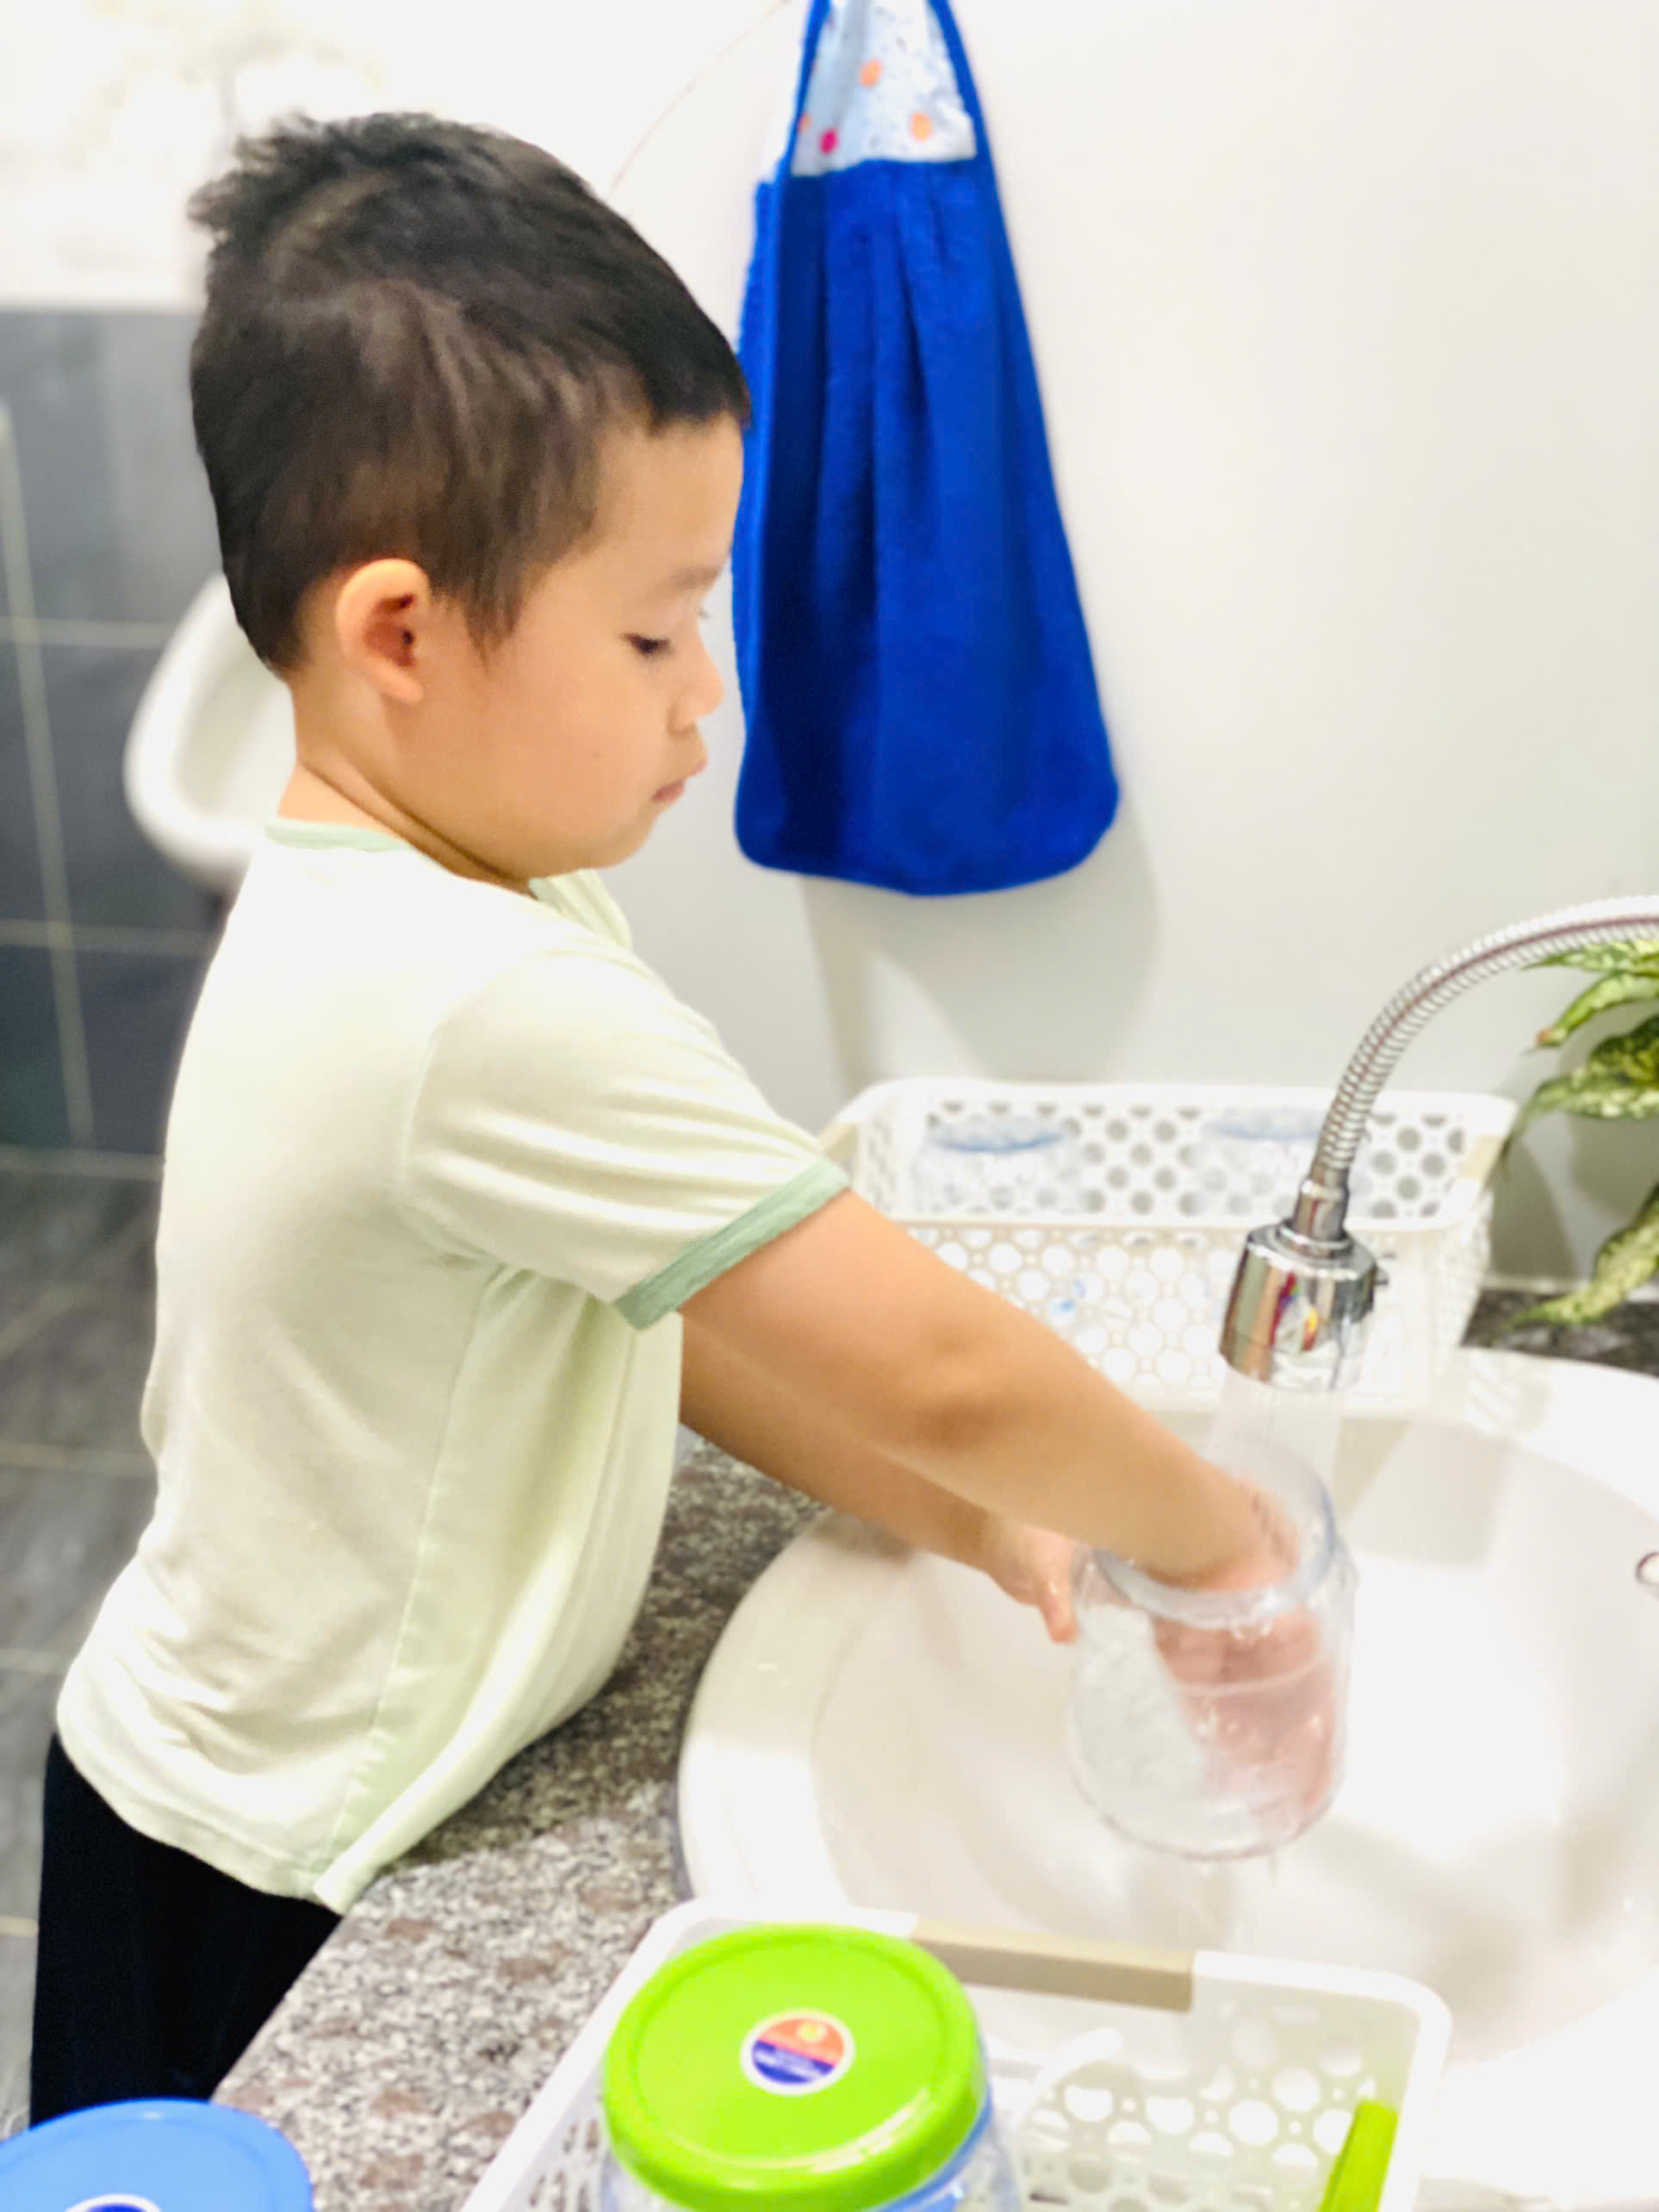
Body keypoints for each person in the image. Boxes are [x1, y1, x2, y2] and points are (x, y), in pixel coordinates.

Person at [29, 112, 1319, 2125]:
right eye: (651, 631)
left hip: (241, 1794)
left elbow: (678, 1322)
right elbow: (948, 1365)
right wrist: (1229, 1548)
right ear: (399, 633)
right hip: (260, 1862)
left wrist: (975, 1516)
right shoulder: (474, 999)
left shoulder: (450, 901)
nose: (702, 692)